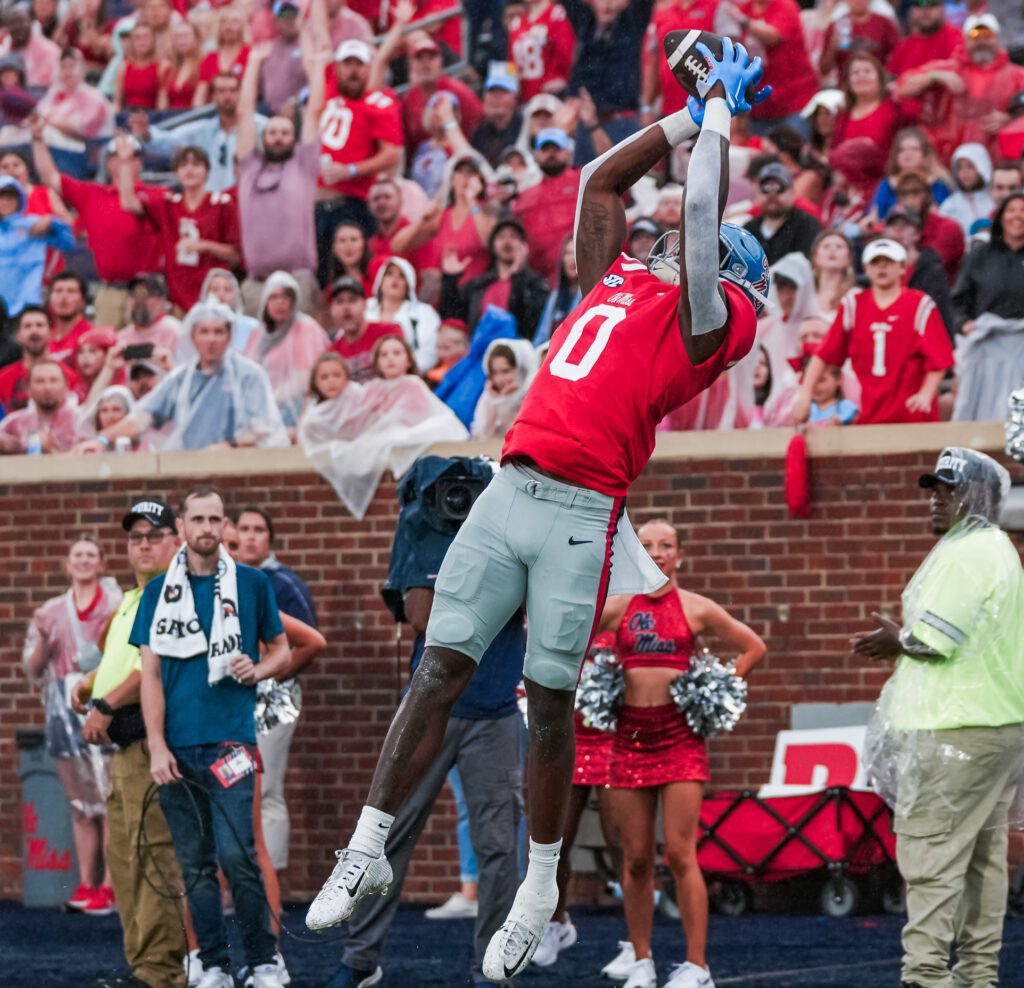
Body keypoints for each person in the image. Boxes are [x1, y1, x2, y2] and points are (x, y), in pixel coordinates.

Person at [305, 38, 769, 982]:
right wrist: (684, 116)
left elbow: (704, 207)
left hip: (583, 507)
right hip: (511, 481)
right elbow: (603, 181)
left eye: (686, 242)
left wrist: (720, 115)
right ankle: (364, 844)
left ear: (722, 271)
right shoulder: (622, 281)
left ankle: (538, 887)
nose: (663, 240)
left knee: (548, 703)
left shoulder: (712, 317)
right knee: (434, 667)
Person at [329, 456, 524, 988]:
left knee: (499, 845)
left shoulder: (514, 533)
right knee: (387, 835)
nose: (459, 501)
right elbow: (420, 616)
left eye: (471, 492)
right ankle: (360, 960)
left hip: (495, 711)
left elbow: (523, 605)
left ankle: (494, 967)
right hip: (429, 707)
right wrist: (430, 537)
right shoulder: (425, 527)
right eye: (451, 493)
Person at [855, 447, 1024, 988]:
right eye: (934, 488)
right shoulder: (996, 548)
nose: (935, 499)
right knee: (982, 859)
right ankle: (978, 975)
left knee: (931, 856)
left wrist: (894, 640)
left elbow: (935, 640)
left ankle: (925, 976)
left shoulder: (968, 552)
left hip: (955, 731)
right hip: (993, 725)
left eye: (948, 489)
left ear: (976, 496)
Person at [133, 485, 291, 988]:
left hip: (233, 744)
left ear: (225, 527)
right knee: (194, 866)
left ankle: (264, 960)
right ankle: (215, 964)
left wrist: (259, 667)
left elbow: (283, 652)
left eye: (214, 520)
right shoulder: (158, 593)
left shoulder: (251, 584)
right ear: (180, 527)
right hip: (175, 750)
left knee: (237, 856)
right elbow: (150, 677)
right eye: (196, 519)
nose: (206, 529)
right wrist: (156, 746)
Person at [597, 519, 766, 988]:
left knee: (680, 853)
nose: (656, 553)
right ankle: (643, 959)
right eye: (647, 545)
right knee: (634, 858)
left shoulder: (697, 608)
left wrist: (718, 689)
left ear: (680, 555)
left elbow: (753, 646)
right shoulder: (618, 608)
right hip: (629, 740)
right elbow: (575, 640)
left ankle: (697, 966)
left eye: (666, 546)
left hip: (679, 741)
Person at [70, 499, 186, 988]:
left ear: (175, 541)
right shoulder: (135, 598)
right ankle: (144, 967)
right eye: (135, 536)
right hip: (125, 748)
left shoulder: (172, 592)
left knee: (152, 856)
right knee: (125, 858)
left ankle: (161, 972)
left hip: (150, 740)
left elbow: (153, 667)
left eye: (153, 535)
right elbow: (128, 658)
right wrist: (92, 683)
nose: (142, 544)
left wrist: (106, 703)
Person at [21, 536, 121, 915]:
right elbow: (33, 668)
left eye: (90, 555)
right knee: (80, 804)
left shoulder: (115, 605)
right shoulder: (50, 612)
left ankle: (110, 886)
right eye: (77, 555)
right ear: (67, 564)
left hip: (104, 708)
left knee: (111, 800)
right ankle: (85, 883)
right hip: (64, 715)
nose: (83, 561)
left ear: (100, 563)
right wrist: (44, 638)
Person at [79, 301, 289, 452]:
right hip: (192, 467)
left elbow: (265, 429)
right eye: (204, 331)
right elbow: (142, 417)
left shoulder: (250, 375)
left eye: (218, 332)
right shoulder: (180, 377)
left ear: (229, 336)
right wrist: (102, 440)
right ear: (193, 336)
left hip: (241, 466)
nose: (211, 339)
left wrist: (230, 446)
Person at [233, 506, 317, 878]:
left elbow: (308, 642)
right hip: (236, 699)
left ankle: (269, 879)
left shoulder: (281, 582)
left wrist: (271, 678)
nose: (250, 536)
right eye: (244, 529)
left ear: (270, 538)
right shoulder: (229, 579)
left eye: (259, 529)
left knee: (266, 788)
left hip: (273, 700)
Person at [793, 238, 955, 426]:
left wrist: (926, 394)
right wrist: (804, 395)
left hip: (912, 414)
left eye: (889, 263)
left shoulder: (920, 305)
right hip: (868, 413)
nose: (882, 268)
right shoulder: (853, 305)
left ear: (903, 267)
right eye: (876, 263)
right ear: (867, 268)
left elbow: (939, 358)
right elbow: (824, 354)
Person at [31, 130, 162, 328]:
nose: (125, 161)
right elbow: (50, 177)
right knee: (102, 349)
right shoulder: (91, 194)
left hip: (146, 290)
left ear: (140, 164)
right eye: (119, 157)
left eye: (132, 158)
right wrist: (38, 139)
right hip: (109, 290)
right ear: (109, 164)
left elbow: (131, 204)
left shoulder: (155, 195)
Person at [238, 38, 325, 318]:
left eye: (285, 133)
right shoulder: (249, 168)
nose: (278, 138)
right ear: (263, 138)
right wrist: (253, 64)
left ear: (294, 138)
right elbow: (243, 114)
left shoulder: (303, 164)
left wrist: (317, 68)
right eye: (272, 133)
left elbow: (314, 110)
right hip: (255, 286)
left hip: (298, 280)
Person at [315, 37, 402, 285]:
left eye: (359, 64)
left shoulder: (379, 103)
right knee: (323, 278)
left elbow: (392, 153)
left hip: (352, 203)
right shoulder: (330, 89)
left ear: (368, 67)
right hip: (319, 206)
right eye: (347, 63)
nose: (353, 70)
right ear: (338, 67)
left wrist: (350, 170)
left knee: (354, 275)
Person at [116, 144, 242, 313]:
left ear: (207, 170)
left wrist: (203, 245)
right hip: (178, 298)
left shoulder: (222, 203)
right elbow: (129, 203)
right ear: (176, 172)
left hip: (215, 299)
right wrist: (125, 162)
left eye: (196, 164)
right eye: (183, 165)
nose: (189, 169)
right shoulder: (168, 204)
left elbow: (236, 254)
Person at [129, 73, 267, 195]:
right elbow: (169, 142)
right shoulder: (202, 130)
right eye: (222, 91)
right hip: (212, 203)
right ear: (213, 96)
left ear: (241, 93)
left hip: (248, 203)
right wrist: (146, 133)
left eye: (233, 90)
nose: (227, 96)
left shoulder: (263, 127)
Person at [243, 271, 330, 430]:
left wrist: (272, 401)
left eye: (285, 297)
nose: (280, 303)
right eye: (274, 297)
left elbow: (304, 379)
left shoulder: (306, 328)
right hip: (260, 411)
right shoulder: (259, 333)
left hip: (295, 410)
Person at [439, 216, 549, 338]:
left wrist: (518, 276)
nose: (507, 242)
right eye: (501, 237)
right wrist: (450, 279)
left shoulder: (535, 284)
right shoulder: (479, 285)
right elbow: (452, 317)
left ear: (524, 246)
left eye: (513, 237)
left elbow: (532, 323)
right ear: (493, 245)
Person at [511, 128, 581, 282]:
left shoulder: (584, 179)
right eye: (545, 149)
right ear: (536, 155)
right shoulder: (526, 195)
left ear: (569, 151)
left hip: (582, 273)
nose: (551, 154)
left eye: (556, 149)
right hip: (541, 281)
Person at [0, 175, 75, 318]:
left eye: (10, 198)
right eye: (2, 198)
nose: (5, 203)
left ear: (20, 201)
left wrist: (53, 223)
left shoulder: (33, 224)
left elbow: (69, 242)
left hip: (27, 305)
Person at [883, 205, 956, 338]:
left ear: (917, 234)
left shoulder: (932, 271)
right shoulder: (876, 271)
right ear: (885, 233)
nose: (898, 231)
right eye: (893, 225)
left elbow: (942, 319)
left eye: (905, 225)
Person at [365, 257, 440, 374]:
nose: (395, 279)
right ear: (380, 280)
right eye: (389, 274)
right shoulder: (364, 309)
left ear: (409, 283)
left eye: (401, 276)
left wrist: (404, 372)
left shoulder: (424, 312)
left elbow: (430, 352)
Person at [0, 305, 77, 413]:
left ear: (51, 332)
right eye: (27, 326)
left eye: (40, 325)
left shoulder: (69, 377)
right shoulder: (3, 378)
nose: (34, 330)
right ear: (18, 335)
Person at [743, 163, 822, 266]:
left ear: (792, 192)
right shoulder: (749, 230)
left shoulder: (807, 225)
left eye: (780, 188)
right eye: (765, 189)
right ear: (757, 193)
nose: (772, 195)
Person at [326, 276, 402, 381]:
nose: (346, 308)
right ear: (331, 310)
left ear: (365, 304)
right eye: (339, 301)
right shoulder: (332, 354)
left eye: (352, 300)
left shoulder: (388, 333)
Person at [0, 358, 82, 453]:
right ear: (28, 388)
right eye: (40, 381)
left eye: (54, 380)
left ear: (67, 386)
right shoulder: (13, 423)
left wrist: (53, 450)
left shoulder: (82, 421)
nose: (47, 387)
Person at [470, 339, 537, 440]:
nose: (500, 379)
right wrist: (496, 401)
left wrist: (508, 404)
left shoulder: (531, 395)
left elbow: (519, 434)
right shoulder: (488, 396)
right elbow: (483, 436)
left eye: (506, 371)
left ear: (519, 368)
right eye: (495, 373)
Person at [507, 0, 575, 101]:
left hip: (548, 96)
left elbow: (565, 53)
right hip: (523, 97)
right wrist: (511, 82)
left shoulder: (556, 15)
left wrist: (558, 77)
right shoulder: (517, 23)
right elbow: (511, 62)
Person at [819, 0, 900, 81]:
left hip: (878, 85)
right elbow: (824, 70)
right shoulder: (836, 26)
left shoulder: (884, 24)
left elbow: (899, 57)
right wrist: (832, 48)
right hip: (845, 86)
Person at [887, 0, 963, 79]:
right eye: (918, 4)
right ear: (911, 10)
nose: (925, 11)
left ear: (943, 7)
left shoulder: (957, 37)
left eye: (932, 4)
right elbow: (892, 82)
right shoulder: (903, 47)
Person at [193, 5, 249, 107]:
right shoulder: (210, 58)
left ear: (243, 26)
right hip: (214, 114)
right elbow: (200, 95)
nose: (228, 26)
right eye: (224, 22)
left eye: (234, 21)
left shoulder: (250, 54)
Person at [470, 61, 523, 168]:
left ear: (515, 96)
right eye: (492, 91)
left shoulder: (525, 127)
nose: (496, 97)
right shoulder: (478, 134)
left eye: (503, 91)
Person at [258, 0, 307, 114]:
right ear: (275, 21)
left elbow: (314, 83)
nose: (289, 20)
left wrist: (296, 101)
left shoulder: (308, 47)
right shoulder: (268, 49)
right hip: (268, 110)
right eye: (284, 16)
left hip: (299, 110)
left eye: (293, 15)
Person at [532, 236, 581, 346]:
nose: (572, 258)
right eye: (567, 253)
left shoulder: (591, 294)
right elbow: (541, 338)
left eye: (576, 252)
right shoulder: (555, 298)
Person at [118, 274, 183, 356]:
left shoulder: (174, 331)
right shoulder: (122, 337)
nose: (139, 299)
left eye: (146, 294)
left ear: (161, 301)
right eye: (134, 293)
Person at [1, 3, 60, 90]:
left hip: (40, 92)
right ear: (8, 29)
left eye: (21, 22)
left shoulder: (46, 48)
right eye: (13, 24)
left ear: (30, 25)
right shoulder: (8, 49)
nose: (18, 27)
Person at [48, 272, 97, 368]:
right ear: (50, 299)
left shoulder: (92, 336)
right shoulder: (41, 337)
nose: (63, 297)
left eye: (71, 291)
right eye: (58, 291)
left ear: (83, 300)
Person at [114, 21, 160, 111]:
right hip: (128, 113)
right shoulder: (124, 67)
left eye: (146, 37)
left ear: (153, 40)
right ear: (132, 41)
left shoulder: (161, 67)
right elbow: (118, 100)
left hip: (152, 114)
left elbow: (162, 101)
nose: (142, 42)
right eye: (138, 38)